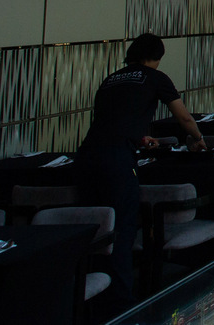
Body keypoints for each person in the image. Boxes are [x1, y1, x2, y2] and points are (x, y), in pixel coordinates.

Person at [75, 33, 205, 308]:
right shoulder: (155, 77)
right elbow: (183, 116)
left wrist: (138, 138)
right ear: (156, 57)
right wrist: (198, 138)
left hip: (86, 156)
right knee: (122, 229)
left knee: (92, 229)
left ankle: (86, 297)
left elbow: (111, 120)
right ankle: (121, 303)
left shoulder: (111, 79)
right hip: (117, 161)